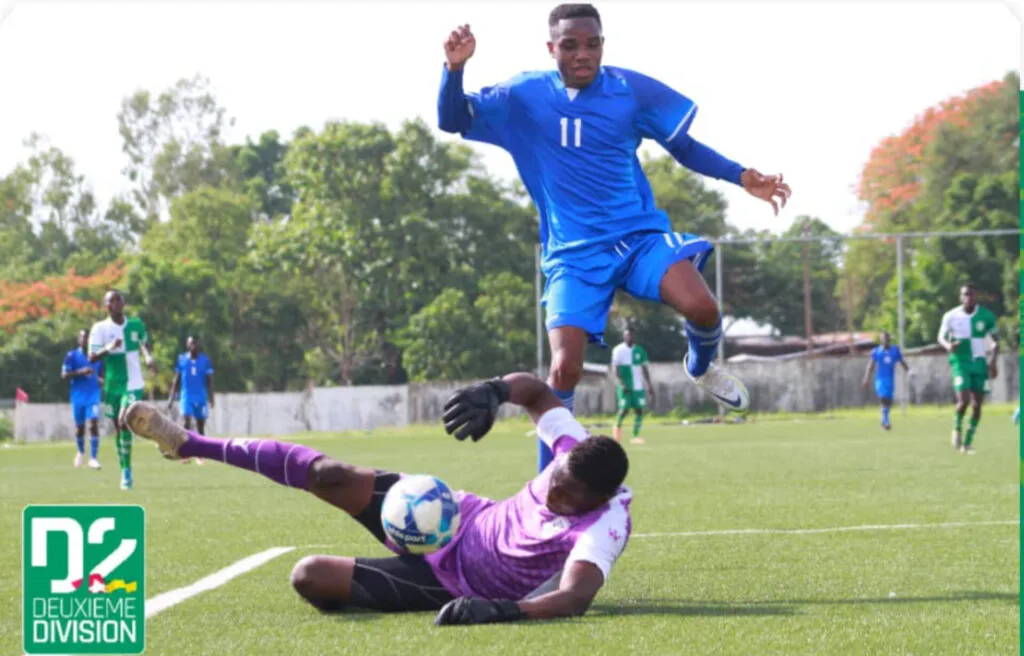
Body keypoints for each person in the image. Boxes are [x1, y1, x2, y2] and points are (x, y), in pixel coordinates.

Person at [437, 4, 792, 472]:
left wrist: (740, 175)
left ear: (603, 44)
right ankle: (548, 493)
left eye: (592, 43)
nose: (583, 53)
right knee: (563, 369)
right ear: (551, 49)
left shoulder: (629, 89)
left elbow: (681, 146)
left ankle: (701, 365)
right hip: (574, 255)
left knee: (703, 307)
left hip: (638, 238)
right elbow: (452, 119)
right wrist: (454, 69)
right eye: (570, 45)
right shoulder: (521, 97)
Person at [121, 371, 632, 625]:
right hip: (451, 514)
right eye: (554, 483)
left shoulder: (605, 525)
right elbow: (540, 395)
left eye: (566, 497)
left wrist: (498, 611)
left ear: (600, 498)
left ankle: (383, 588)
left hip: (449, 581)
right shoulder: (572, 451)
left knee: (310, 577)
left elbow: (576, 598)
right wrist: (494, 391)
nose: (552, 494)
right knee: (329, 473)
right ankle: (189, 443)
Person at [88, 290, 156, 489]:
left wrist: (149, 358)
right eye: (111, 300)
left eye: (118, 300)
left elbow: (144, 344)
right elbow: (92, 357)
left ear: (124, 303)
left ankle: (126, 474)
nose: (116, 303)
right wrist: (108, 347)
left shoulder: (135, 324)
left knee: (124, 420)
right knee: (118, 429)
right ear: (105, 305)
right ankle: (124, 467)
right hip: (112, 385)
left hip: (133, 383)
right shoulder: (99, 328)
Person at [936, 283, 999, 455]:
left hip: (979, 363)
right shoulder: (951, 316)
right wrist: (949, 346)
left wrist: (993, 363)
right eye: (965, 294)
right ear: (960, 297)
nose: (968, 297)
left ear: (975, 296)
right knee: (963, 401)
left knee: (978, 405)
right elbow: (940, 337)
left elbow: (995, 342)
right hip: (960, 362)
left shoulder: (986, 316)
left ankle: (968, 443)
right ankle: (956, 428)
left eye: (971, 294)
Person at [167, 335, 215, 464]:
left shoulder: (205, 360)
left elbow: (210, 380)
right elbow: (176, 379)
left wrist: (211, 397)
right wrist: (171, 397)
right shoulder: (182, 359)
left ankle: (201, 454)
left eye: (194, 343)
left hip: (201, 396)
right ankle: (186, 453)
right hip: (186, 396)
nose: (192, 345)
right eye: (189, 343)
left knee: (200, 425)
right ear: (187, 345)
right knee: (186, 422)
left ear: (197, 344)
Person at [62, 328, 104, 469]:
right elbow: (64, 374)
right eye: (82, 337)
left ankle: (93, 458)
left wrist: (101, 380)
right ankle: (80, 451)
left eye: (87, 337)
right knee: (80, 427)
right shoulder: (72, 356)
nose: (85, 340)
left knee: (93, 422)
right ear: (79, 340)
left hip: (93, 395)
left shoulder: (98, 357)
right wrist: (81, 371)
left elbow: (102, 375)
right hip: (78, 396)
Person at [860, 331, 911, 431]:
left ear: (889, 339)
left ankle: (884, 421)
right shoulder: (877, 351)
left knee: (888, 401)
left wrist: (909, 371)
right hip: (880, 379)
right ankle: (886, 421)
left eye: (887, 338)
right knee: (883, 399)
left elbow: (902, 361)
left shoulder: (894, 350)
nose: (885, 340)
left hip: (890, 379)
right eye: (883, 338)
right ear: (881, 340)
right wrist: (866, 377)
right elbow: (871, 365)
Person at [610, 329, 652, 444]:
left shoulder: (640, 350)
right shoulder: (618, 350)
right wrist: (622, 384)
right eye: (627, 335)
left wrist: (649, 386)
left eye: (632, 335)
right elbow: (615, 369)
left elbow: (644, 369)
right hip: (625, 386)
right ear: (624, 336)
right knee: (624, 410)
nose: (630, 337)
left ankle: (635, 436)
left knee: (639, 410)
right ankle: (616, 437)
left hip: (638, 387)